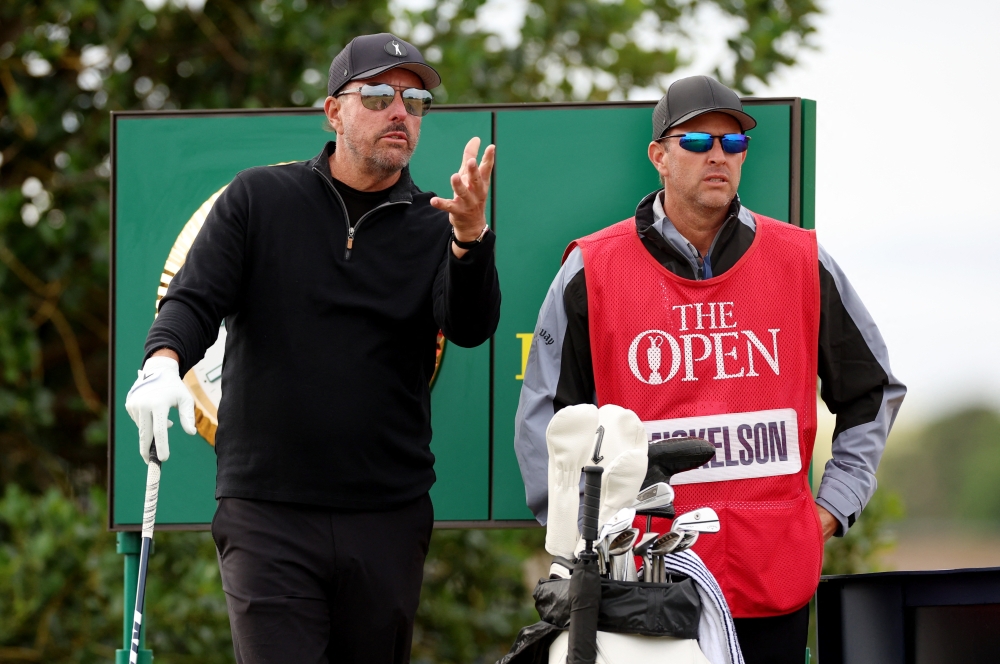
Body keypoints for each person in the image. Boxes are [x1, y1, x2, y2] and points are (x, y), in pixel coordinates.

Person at [124, 33, 500, 664]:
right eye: (379, 95)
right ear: (333, 111)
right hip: (266, 513)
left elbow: (469, 325)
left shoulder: (437, 224)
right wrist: (162, 362)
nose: (400, 112)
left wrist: (469, 239)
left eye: (415, 101)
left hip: (386, 516)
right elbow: (193, 300)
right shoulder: (258, 198)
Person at [513, 75, 904, 664]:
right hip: (644, 582)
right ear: (659, 156)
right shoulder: (593, 267)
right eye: (697, 140)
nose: (718, 154)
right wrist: (582, 543)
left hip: (772, 579)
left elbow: (873, 391)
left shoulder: (801, 260)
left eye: (734, 142)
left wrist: (829, 509)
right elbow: (545, 417)